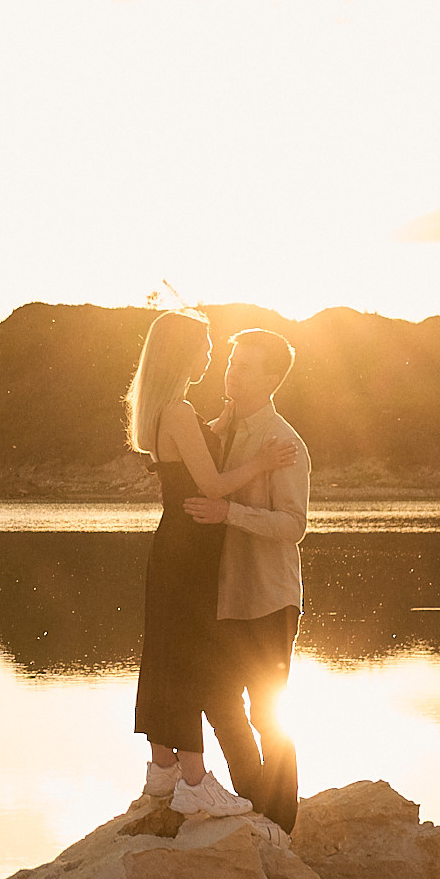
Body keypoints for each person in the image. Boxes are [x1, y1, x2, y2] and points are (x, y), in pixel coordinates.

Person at [126, 310, 294, 817]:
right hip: (188, 552)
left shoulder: (169, 412)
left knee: (166, 656)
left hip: (179, 547)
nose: (210, 356)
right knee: (186, 661)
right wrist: (263, 463)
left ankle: (163, 771)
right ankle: (195, 782)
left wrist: (223, 423)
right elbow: (213, 485)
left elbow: (198, 456)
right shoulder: (177, 411)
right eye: (203, 346)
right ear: (181, 352)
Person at [183, 327, 308, 830]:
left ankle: (282, 821)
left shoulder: (285, 442)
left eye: (245, 366)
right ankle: (256, 803)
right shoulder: (217, 429)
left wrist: (228, 513)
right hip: (224, 597)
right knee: (217, 700)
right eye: (230, 363)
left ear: (273, 378)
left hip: (270, 598)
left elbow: (293, 526)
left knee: (267, 714)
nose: (231, 372)